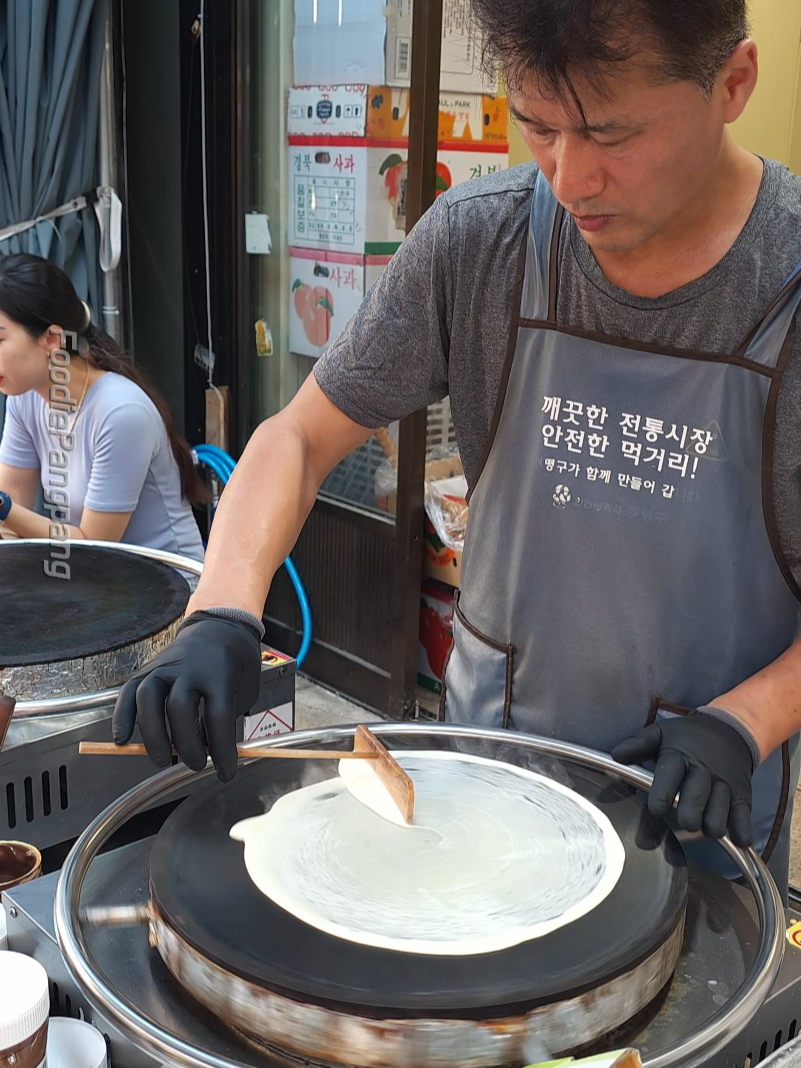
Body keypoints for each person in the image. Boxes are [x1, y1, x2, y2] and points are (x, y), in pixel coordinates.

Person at [113, 0, 801, 891]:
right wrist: (221, 608)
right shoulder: (482, 242)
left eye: (610, 134)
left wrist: (745, 720)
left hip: (695, 804)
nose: (568, 179)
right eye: (538, 127)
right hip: (490, 766)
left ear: (732, 82)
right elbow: (298, 435)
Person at [0, 253, 205, 561]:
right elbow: (11, 518)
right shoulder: (23, 398)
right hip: (97, 586)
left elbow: (95, 548)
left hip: (170, 591)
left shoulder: (121, 413)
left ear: (52, 339)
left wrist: (4, 509)